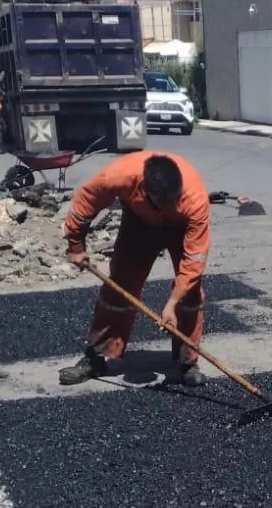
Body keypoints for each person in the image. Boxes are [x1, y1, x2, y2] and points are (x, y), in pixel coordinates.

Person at [58, 151, 212, 387]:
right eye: (165, 202)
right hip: (140, 223)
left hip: (180, 227)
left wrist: (172, 303)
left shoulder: (194, 199)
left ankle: (187, 363)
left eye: (175, 200)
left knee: (190, 295)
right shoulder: (119, 175)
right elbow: (85, 202)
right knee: (119, 286)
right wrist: (76, 245)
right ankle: (96, 357)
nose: (171, 205)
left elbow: (193, 261)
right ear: (147, 190)